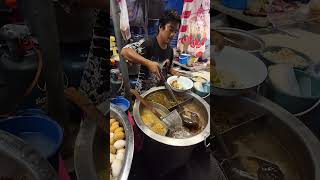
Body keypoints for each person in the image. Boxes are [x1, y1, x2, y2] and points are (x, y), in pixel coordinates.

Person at [121, 9, 181, 93]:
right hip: (143, 94)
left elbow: (167, 69)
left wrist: (173, 72)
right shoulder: (147, 44)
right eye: (170, 29)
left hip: (159, 93)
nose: (173, 34)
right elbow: (124, 51)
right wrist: (148, 63)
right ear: (161, 27)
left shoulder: (170, 51)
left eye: (175, 31)